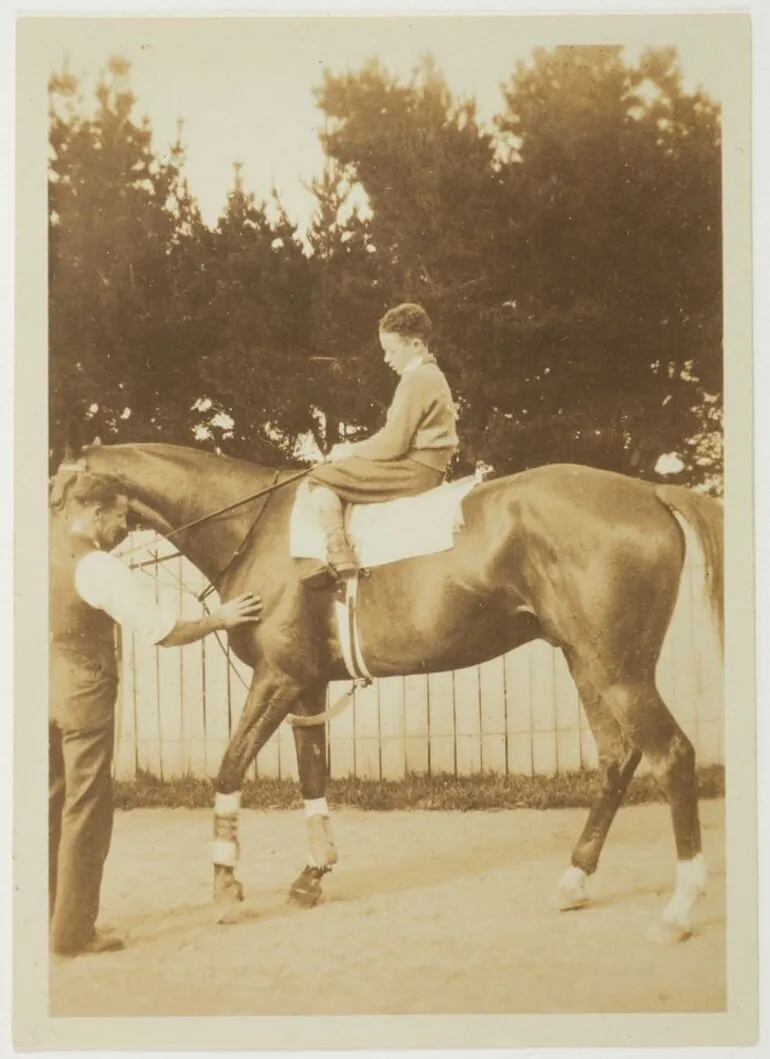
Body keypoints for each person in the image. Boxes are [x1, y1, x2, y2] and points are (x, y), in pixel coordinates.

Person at [48, 470, 263, 957]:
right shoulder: (98, 567)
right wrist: (219, 620)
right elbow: (163, 631)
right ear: (96, 512)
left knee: (49, 806)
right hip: (85, 696)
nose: (123, 527)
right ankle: (74, 933)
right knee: (86, 810)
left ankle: (48, 919)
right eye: (120, 516)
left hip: (40, 694)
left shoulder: (37, 548)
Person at [301, 302, 459, 587]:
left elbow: (392, 445)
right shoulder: (430, 375)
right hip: (424, 465)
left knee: (321, 476)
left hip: (414, 469)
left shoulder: (417, 379)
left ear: (414, 344)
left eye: (391, 351)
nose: (386, 359)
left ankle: (338, 551)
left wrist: (347, 450)